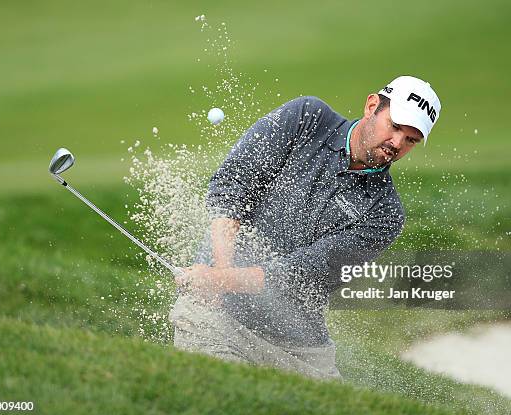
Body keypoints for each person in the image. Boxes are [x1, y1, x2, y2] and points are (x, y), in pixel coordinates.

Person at [169, 75, 442, 379]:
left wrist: (221, 280)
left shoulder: (385, 214)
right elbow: (234, 183)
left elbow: (303, 274)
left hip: (298, 344)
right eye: (394, 127)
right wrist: (219, 273)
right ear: (372, 106)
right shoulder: (308, 118)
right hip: (216, 314)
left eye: (411, 140)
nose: (397, 144)